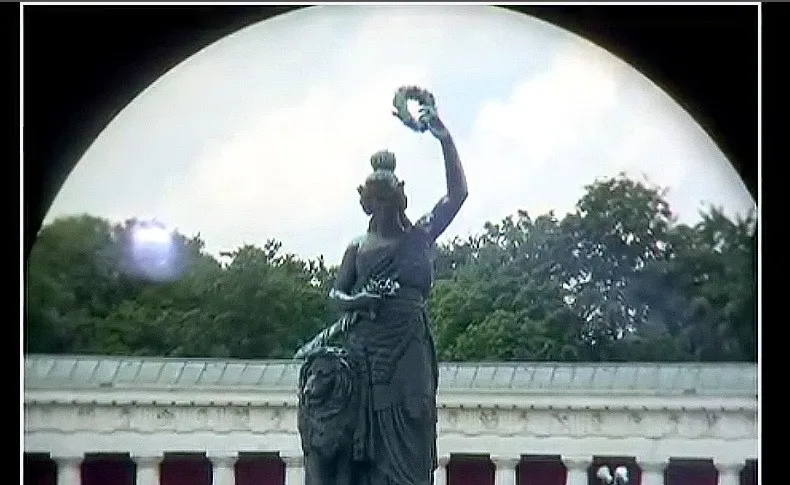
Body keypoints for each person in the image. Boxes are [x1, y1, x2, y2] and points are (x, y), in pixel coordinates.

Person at [328, 104, 468, 485]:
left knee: (416, 416)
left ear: (399, 200)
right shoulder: (358, 247)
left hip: (410, 345)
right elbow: (335, 296)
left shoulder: (419, 236)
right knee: (367, 440)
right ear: (369, 204)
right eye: (378, 202)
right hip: (368, 350)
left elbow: (457, 194)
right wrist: (360, 301)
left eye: (390, 201)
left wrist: (444, 138)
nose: (385, 209)